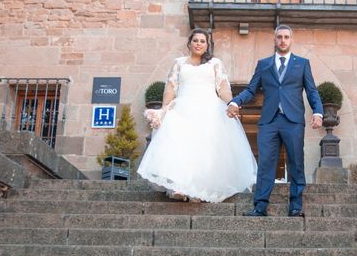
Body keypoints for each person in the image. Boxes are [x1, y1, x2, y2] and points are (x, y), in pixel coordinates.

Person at [137, 28, 257, 203]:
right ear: (189, 43)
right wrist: (163, 111)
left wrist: (231, 104)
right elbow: (170, 88)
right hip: (182, 108)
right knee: (180, 146)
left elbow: (223, 88)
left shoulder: (215, 63)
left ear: (207, 45)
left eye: (202, 41)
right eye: (195, 40)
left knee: (204, 150)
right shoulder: (179, 63)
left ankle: (198, 189)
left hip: (209, 109)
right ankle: (179, 186)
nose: (199, 44)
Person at [228, 25, 323, 217]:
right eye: (279, 37)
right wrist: (235, 101)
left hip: (293, 120)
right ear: (274, 40)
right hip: (269, 121)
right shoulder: (264, 65)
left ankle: (295, 205)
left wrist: (318, 112)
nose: (283, 40)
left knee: (296, 162)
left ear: (291, 40)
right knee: (265, 163)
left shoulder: (302, 63)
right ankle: (260, 206)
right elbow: (250, 90)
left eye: (286, 37)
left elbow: (311, 90)